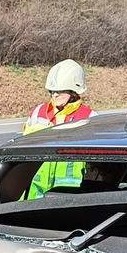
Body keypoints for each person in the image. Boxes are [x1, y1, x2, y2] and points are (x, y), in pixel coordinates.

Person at [23, 60, 97, 198]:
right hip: (35, 192)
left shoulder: (89, 118)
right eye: (52, 91)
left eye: (60, 91)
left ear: (74, 91)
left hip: (70, 195)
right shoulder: (38, 112)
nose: (54, 95)